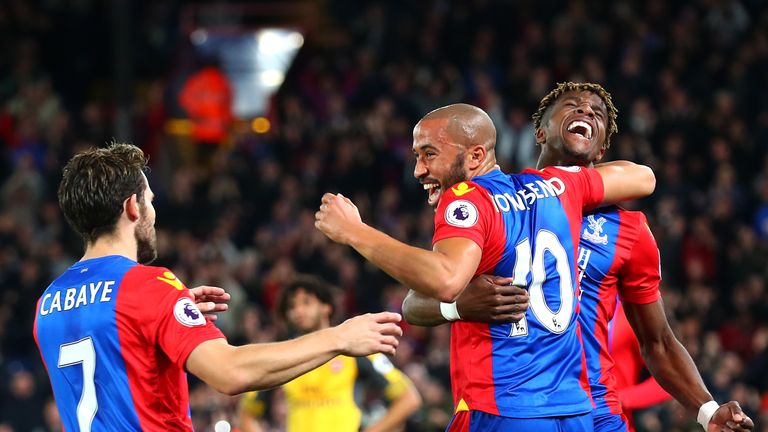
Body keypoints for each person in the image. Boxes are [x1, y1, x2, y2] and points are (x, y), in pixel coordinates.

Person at [400, 82, 754, 432]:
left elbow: (658, 340)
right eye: (571, 105)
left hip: (596, 412)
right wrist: (458, 306)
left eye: (597, 113)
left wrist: (707, 410)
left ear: (601, 152)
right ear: (539, 132)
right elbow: (416, 303)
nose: (585, 111)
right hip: (511, 407)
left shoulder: (630, 231)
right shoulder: (493, 200)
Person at [315, 102, 656, 431]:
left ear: (476, 155)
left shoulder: (467, 197)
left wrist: (355, 233)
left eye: (429, 154)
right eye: (417, 156)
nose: (418, 170)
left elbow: (445, 279)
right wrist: (457, 307)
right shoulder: (558, 186)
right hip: (574, 410)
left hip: (504, 406)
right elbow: (642, 179)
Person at [33, 143, 403, 431]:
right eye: (150, 201)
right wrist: (338, 337)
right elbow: (231, 373)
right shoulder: (146, 286)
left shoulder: (48, 301)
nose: (153, 212)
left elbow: (111, 356)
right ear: (133, 207)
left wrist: (161, 316)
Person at [238, 275, 422, 432]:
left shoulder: (354, 349)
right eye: (291, 306)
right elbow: (246, 414)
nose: (298, 311)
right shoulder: (283, 355)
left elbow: (408, 398)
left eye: (306, 302)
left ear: (327, 307)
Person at [610, 301, 672, 432]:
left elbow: (670, 379)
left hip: (614, 423)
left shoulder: (631, 315)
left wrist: (621, 397)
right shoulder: (569, 308)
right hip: (565, 417)